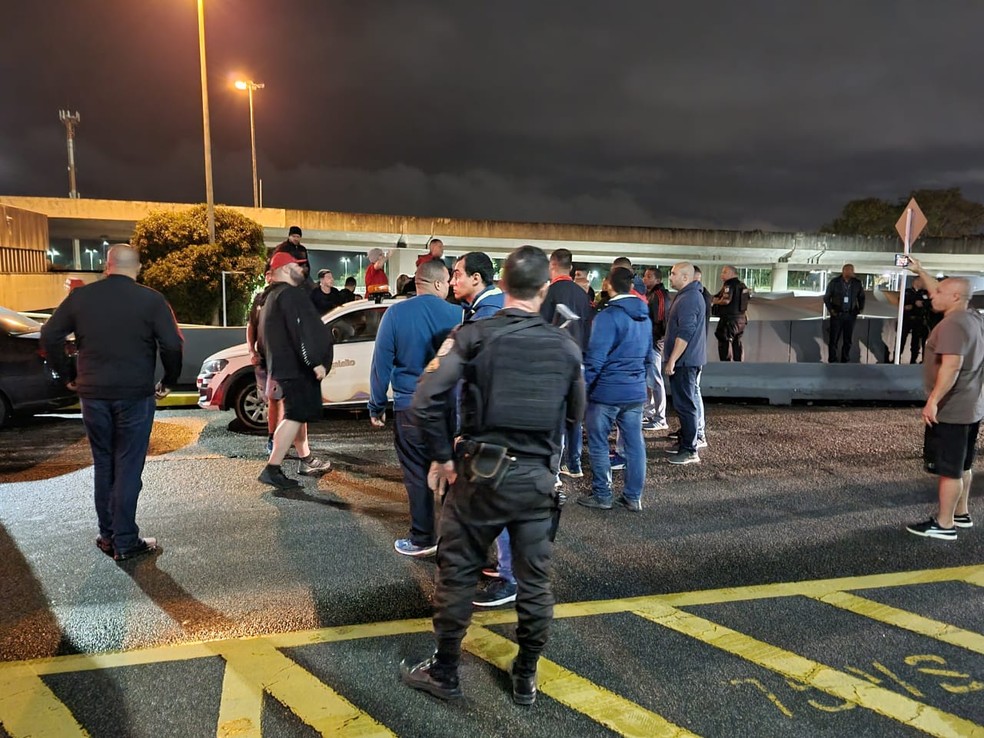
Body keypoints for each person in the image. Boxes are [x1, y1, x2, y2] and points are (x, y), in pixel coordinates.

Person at [401, 245, 584, 705]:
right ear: (545, 288)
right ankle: (525, 675)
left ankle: (445, 672)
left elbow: (425, 400)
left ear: (501, 285)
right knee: (535, 582)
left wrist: (442, 458)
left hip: (479, 476)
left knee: (458, 573)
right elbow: (577, 413)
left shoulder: (473, 335)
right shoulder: (564, 344)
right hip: (538, 482)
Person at [40, 245, 183, 561]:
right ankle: (126, 541)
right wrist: (169, 381)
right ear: (139, 267)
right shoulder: (151, 300)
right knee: (128, 466)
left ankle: (108, 536)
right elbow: (172, 344)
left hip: (93, 394)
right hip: (134, 394)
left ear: (107, 266)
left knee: (104, 463)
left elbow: (49, 334)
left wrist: (68, 375)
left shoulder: (81, 298)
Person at [368, 259, 461, 557]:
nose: (450, 286)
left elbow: (381, 363)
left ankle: (422, 538)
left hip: (410, 405)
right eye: (447, 281)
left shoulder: (395, 314)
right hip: (451, 407)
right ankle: (452, 539)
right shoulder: (459, 313)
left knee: (416, 473)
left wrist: (377, 404)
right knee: (450, 468)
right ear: (436, 283)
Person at [905, 257, 982, 540]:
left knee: (949, 469)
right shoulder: (973, 317)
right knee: (963, 464)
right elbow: (945, 289)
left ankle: (944, 524)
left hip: (952, 408)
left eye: (938, 293)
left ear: (954, 297)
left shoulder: (951, 326)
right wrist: (921, 271)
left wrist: (934, 399)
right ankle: (961, 514)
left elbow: (952, 366)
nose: (931, 294)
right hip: (972, 407)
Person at [257, 251, 334, 489]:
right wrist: (314, 362)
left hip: (283, 367)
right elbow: (301, 332)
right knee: (295, 415)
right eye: (297, 266)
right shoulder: (289, 295)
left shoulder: (269, 298)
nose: (302, 270)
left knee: (293, 415)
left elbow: (265, 340)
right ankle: (273, 468)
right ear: (286, 269)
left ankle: (283, 464)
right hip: (296, 369)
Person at [577, 267, 651, 512]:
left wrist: (583, 389)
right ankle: (633, 496)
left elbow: (596, 359)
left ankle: (602, 495)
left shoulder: (608, 316)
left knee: (598, 443)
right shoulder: (644, 315)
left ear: (608, 284)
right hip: (635, 390)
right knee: (634, 444)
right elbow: (648, 357)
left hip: (607, 392)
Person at [540, 248, 593, 479]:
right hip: (579, 360)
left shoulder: (549, 294)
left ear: (552, 266)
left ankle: (554, 472)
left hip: (554, 363)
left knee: (557, 417)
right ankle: (575, 464)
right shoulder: (583, 295)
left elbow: (541, 329)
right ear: (570, 268)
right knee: (575, 414)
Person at [663, 262, 707, 465]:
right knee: (684, 404)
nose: (670, 277)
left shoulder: (689, 298)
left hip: (685, 361)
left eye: (673, 274)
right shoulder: (688, 295)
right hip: (686, 360)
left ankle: (690, 449)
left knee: (686, 405)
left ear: (685, 277)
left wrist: (672, 359)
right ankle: (686, 444)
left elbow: (685, 332)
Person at [247, 269, 281, 453]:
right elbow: (251, 326)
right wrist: (251, 350)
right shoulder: (259, 299)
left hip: (281, 360)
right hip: (263, 359)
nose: (270, 277)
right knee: (270, 400)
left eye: (274, 273)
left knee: (279, 399)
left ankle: (280, 438)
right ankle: (273, 437)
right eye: (268, 273)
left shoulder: (286, 299)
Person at [642, 267, 669, 432]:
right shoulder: (650, 294)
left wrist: (656, 340)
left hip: (653, 343)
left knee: (656, 381)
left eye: (649, 276)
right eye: (645, 276)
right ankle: (651, 413)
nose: (645, 279)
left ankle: (660, 417)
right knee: (649, 382)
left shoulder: (659, 296)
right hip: (649, 342)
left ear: (657, 280)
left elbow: (660, 321)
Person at [824, 263, 865, 363]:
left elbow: (861, 297)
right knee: (834, 340)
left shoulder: (856, 283)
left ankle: (845, 359)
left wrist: (860, 309)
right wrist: (831, 310)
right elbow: (826, 297)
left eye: (852, 270)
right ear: (844, 271)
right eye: (849, 270)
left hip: (850, 315)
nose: (851, 272)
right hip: (837, 314)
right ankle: (832, 360)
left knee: (848, 340)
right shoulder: (834, 282)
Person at [711, 265, 749, 362]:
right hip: (741, 320)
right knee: (737, 341)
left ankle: (726, 364)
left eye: (724, 272)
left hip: (729, 320)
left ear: (732, 273)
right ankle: (739, 363)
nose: (721, 275)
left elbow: (726, 300)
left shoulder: (729, 285)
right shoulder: (742, 285)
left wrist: (715, 302)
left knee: (724, 339)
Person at [451, 252, 503, 321]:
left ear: (476, 279)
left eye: (457, 276)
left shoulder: (486, 315)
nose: (451, 283)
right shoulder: (494, 305)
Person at [901, 277, 931, 364]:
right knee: (902, 339)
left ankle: (913, 359)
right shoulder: (907, 292)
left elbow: (927, 303)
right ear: (916, 281)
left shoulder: (924, 293)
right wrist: (910, 305)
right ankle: (897, 357)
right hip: (907, 319)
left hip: (919, 320)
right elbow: (901, 304)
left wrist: (923, 304)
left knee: (916, 341)